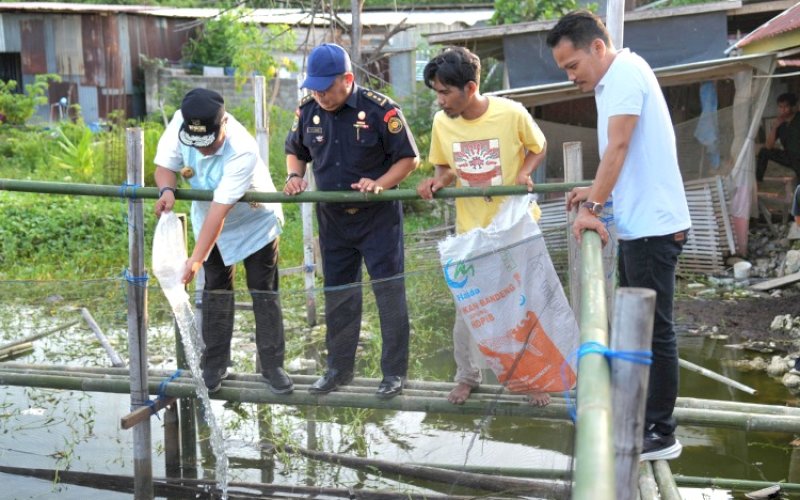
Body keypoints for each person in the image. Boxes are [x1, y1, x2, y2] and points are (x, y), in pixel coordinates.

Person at [547, 11, 692, 461]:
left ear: (596, 47)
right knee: (637, 328)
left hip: (653, 226)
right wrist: (594, 190)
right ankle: (638, 416)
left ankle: (660, 432)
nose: (571, 77)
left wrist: (592, 208)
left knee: (654, 330)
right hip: (639, 224)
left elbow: (620, 146)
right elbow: (625, 156)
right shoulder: (615, 79)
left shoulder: (625, 73)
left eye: (573, 66)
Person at [284, 43, 419, 399]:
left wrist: (380, 183)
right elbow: (295, 151)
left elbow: (409, 159)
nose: (320, 94)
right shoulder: (308, 110)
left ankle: (394, 374)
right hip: (333, 222)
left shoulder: (381, 110)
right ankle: (338, 370)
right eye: (314, 88)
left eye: (326, 88)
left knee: (388, 294)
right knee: (340, 295)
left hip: (378, 220)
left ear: (347, 79)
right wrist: (295, 176)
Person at [416, 46, 549, 406]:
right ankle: (467, 376)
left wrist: (523, 172)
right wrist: (438, 182)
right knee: (469, 311)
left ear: (470, 88)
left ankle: (532, 378)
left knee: (520, 308)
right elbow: (444, 167)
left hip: (514, 229)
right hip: (470, 232)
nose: (440, 100)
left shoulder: (511, 114)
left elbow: (538, 146)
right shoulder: (443, 123)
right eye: (437, 92)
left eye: (445, 92)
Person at [154, 88, 293, 395]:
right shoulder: (181, 122)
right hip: (209, 219)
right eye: (195, 144)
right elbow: (166, 166)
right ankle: (215, 363)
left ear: (224, 125)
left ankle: (272, 365)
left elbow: (221, 211)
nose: (201, 151)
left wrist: (196, 258)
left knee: (263, 289)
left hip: (253, 222)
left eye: (208, 143)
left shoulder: (242, 148)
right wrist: (167, 190)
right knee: (216, 289)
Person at [757, 92, 800, 184]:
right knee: (764, 151)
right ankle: (757, 181)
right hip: (789, 157)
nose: (782, 110)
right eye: (780, 107)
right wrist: (774, 128)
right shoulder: (780, 124)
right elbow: (768, 146)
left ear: (792, 107)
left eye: (785, 107)